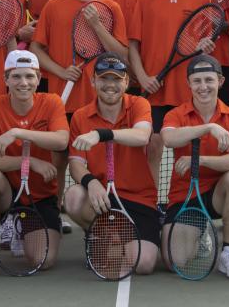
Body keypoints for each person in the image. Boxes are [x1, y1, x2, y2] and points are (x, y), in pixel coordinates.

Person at [30, 0, 128, 227]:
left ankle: (110, 213)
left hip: (100, 104)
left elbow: (120, 54)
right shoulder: (54, 6)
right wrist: (60, 70)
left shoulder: (111, 8)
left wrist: (97, 26)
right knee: (58, 160)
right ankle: (54, 214)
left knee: (101, 160)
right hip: (61, 101)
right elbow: (37, 48)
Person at [0, 50, 69, 280]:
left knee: (44, 260)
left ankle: (21, 227)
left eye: (29, 77)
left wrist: (16, 132)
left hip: (40, 197)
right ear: (6, 80)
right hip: (6, 194)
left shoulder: (51, 102)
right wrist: (29, 161)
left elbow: (62, 140)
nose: (24, 83)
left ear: (38, 78)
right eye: (16, 76)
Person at [128, 0, 212, 190]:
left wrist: (205, 47)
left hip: (188, 91)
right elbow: (133, 45)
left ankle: (184, 205)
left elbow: (204, 45)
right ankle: (152, 206)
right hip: (153, 91)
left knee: (187, 153)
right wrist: (142, 77)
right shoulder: (145, 0)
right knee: (152, 148)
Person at [64, 52, 159, 274]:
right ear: (93, 81)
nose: (110, 85)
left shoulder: (139, 104)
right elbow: (76, 163)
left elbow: (142, 136)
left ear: (126, 82)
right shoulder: (80, 116)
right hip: (102, 197)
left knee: (143, 265)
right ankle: (99, 233)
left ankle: (124, 236)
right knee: (74, 196)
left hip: (139, 198)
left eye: (117, 79)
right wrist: (91, 182)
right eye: (104, 78)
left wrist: (101, 134)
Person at [160, 54, 229, 279]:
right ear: (189, 83)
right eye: (197, 80)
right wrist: (208, 127)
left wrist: (199, 161)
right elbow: (169, 139)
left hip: (216, 196)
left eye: (209, 80)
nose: (203, 86)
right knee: (175, 262)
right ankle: (200, 235)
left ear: (220, 82)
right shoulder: (176, 114)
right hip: (185, 197)